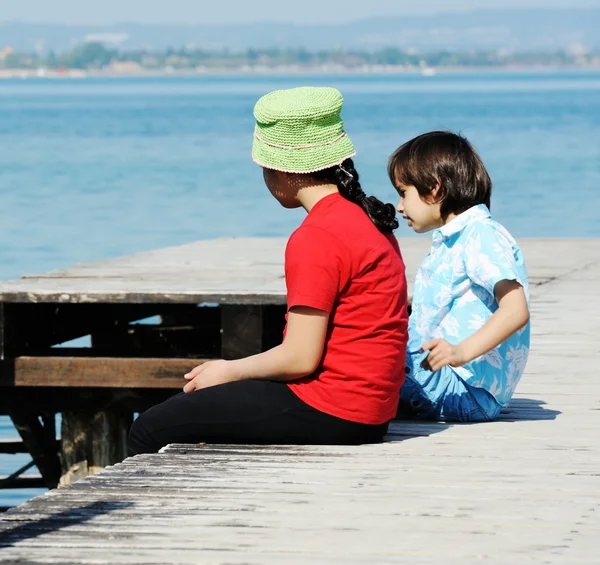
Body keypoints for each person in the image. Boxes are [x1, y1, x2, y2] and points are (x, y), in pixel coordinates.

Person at [128, 86, 408, 455]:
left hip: (335, 410)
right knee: (193, 409)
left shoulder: (317, 236)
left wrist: (228, 370)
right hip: (371, 410)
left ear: (283, 172)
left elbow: (300, 358)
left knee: (148, 428)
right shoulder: (368, 218)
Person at [388, 131, 530, 422]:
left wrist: (461, 352)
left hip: (465, 389)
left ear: (435, 188)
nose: (400, 206)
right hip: (449, 381)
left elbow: (516, 310)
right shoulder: (454, 240)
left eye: (404, 193)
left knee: (376, 334)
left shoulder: (481, 235)